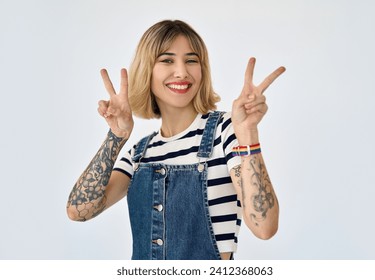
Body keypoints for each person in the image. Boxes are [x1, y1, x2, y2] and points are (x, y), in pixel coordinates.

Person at [66, 19, 285, 260]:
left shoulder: (225, 131)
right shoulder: (139, 154)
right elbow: (79, 211)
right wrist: (116, 136)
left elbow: (264, 228)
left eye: (191, 60)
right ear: (147, 70)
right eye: (167, 60)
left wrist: (248, 134)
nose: (181, 71)